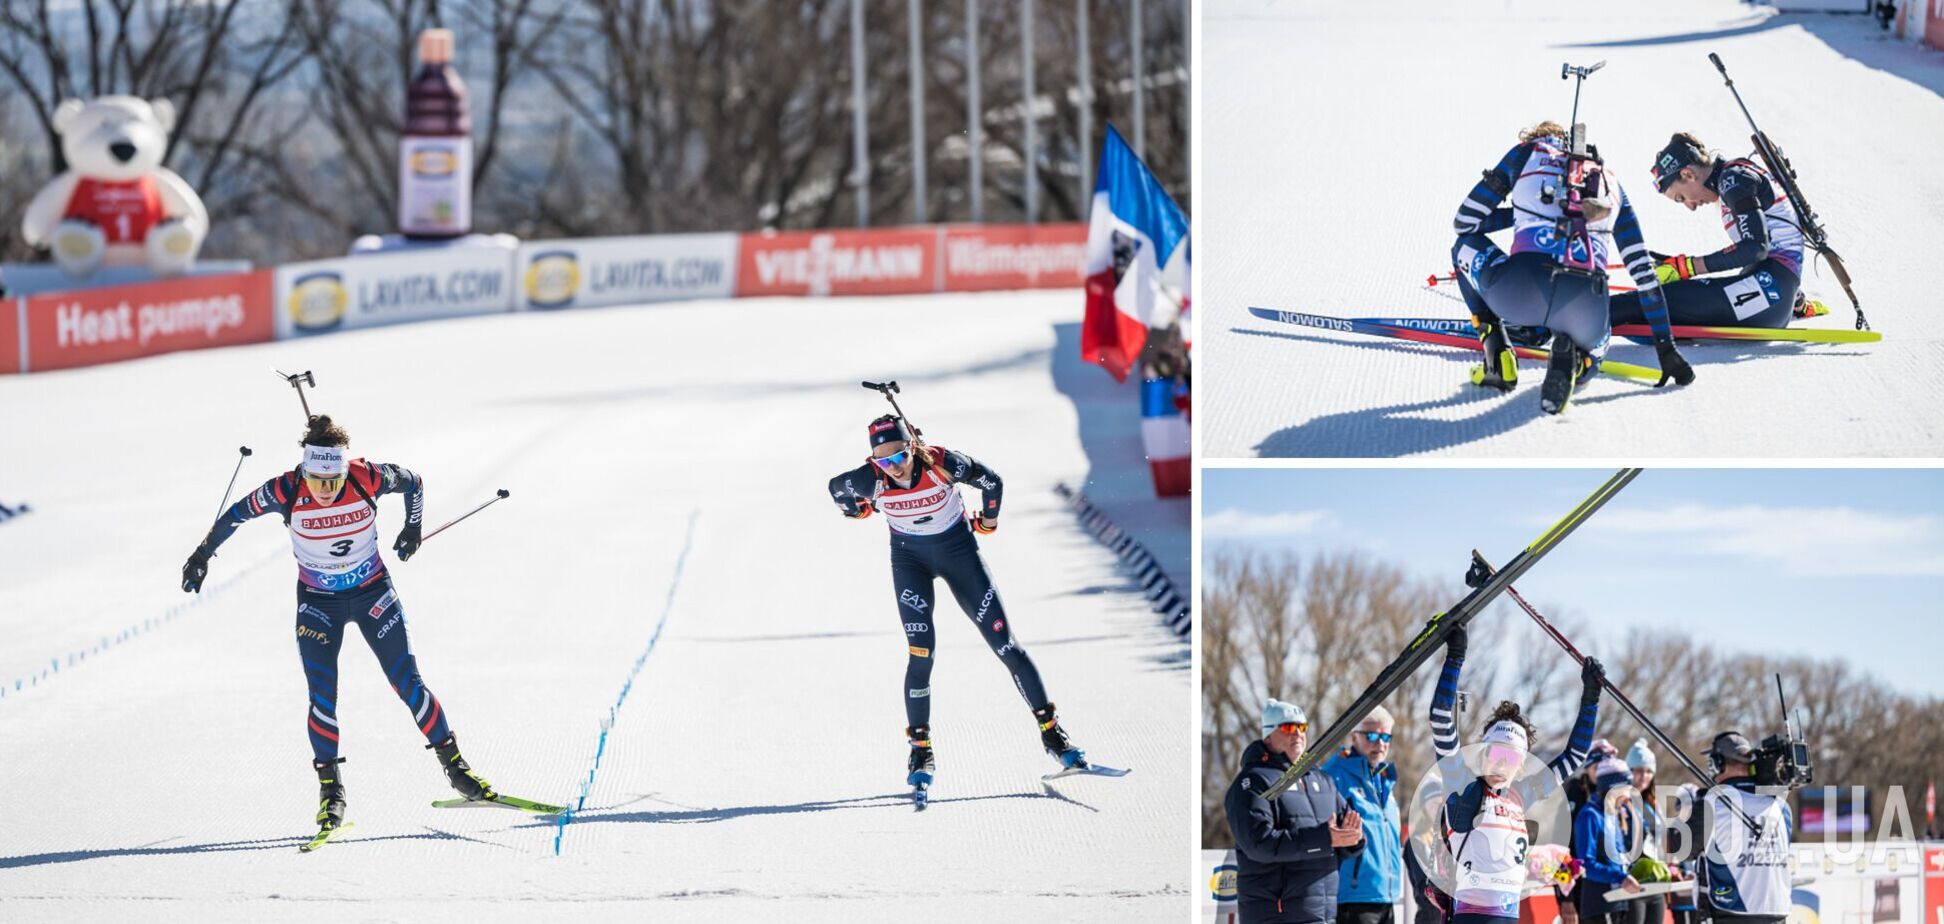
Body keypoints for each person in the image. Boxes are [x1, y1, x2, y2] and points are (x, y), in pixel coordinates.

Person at [180, 415, 500, 835]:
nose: (326, 491)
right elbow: (235, 515)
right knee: (322, 697)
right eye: (318, 482)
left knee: (408, 681)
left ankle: (457, 769)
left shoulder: (366, 477)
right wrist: (201, 555)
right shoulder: (286, 488)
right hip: (318, 605)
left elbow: (415, 482)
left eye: (334, 481)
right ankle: (331, 794)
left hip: (373, 595)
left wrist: (412, 527)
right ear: (305, 471)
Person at [827, 414, 1084, 790]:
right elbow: (836, 489)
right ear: (873, 462)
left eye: (899, 456)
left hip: (960, 554)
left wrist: (989, 521)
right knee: (921, 654)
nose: (894, 467)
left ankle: (1053, 735)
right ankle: (920, 749)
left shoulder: (943, 462)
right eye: (883, 462)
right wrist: (858, 509)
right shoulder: (870, 480)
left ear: (912, 446)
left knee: (1006, 645)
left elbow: (992, 481)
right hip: (909, 561)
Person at [1450, 121, 1693, 414]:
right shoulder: (1612, 184)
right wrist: (1666, 348)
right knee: (1596, 345)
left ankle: (1497, 354)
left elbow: (1464, 223)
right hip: (1585, 305)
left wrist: (1522, 213)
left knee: (1462, 246)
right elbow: (1644, 274)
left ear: (1540, 140)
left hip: (1518, 290)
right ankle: (1579, 362)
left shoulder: (1524, 154)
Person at [1429, 623, 1605, 924]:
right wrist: (1456, 655)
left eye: (1512, 757)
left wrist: (1590, 698)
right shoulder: (1462, 785)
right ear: (1484, 754)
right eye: (1496, 753)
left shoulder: (1520, 795)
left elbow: (1575, 754)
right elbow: (1441, 718)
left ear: (1522, 764)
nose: (1502, 764)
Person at [1609, 133, 1807, 329]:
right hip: (1771, 293)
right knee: (1658, 297)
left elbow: (1754, 248)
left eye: (1681, 197)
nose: (1691, 206)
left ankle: (1583, 320)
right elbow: (1777, 243)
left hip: (1769, 293)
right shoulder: (1734, 176)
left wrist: (1687, 267)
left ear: (1688, 174)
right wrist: (1796, 301)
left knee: (1648, 299)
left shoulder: (1733, 179)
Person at [1226, 699, 1368, 924]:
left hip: (1322, 914)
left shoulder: (1322, 780)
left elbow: (1343, 830)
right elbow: (1258, 844)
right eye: (1289, 727)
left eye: (1302, 728)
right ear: (1268, 734)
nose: (1298, 734)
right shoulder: (1253, 781)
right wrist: (1324, 838)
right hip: (1275, 915)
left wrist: (1353, 839)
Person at [1677, 733, 1793, 924]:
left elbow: (1677, 848)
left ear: (1718, 762)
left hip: (1731, 913)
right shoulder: (1782, 807)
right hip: (1777, 913)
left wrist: (1690, 813)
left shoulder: (1712, 804)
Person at [1325, 707, 1403, 924]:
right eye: (1371, 736)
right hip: (1352, 898)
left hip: (1386, 896)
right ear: (1354, 737)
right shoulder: (1336, 777)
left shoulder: (1384, 780)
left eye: (1386, 736)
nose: (1380, 743)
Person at [1573, 757, 1646, 924]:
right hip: (1600, 904)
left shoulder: (1613, 815)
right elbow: (1585, 865)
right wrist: (1620, 877)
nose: (1630, 794)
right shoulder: (1590, 815)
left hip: (1619, 902)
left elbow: (1619, 858)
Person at [1625, 740, 1672, 924]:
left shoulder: (1653, 804)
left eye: (1648, 771)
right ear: (1629, 770)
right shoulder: (1622, 800)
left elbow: (1663, 840)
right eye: (1638, 770)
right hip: (1633, 881)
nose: (1644, 776)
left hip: (1655, 881)